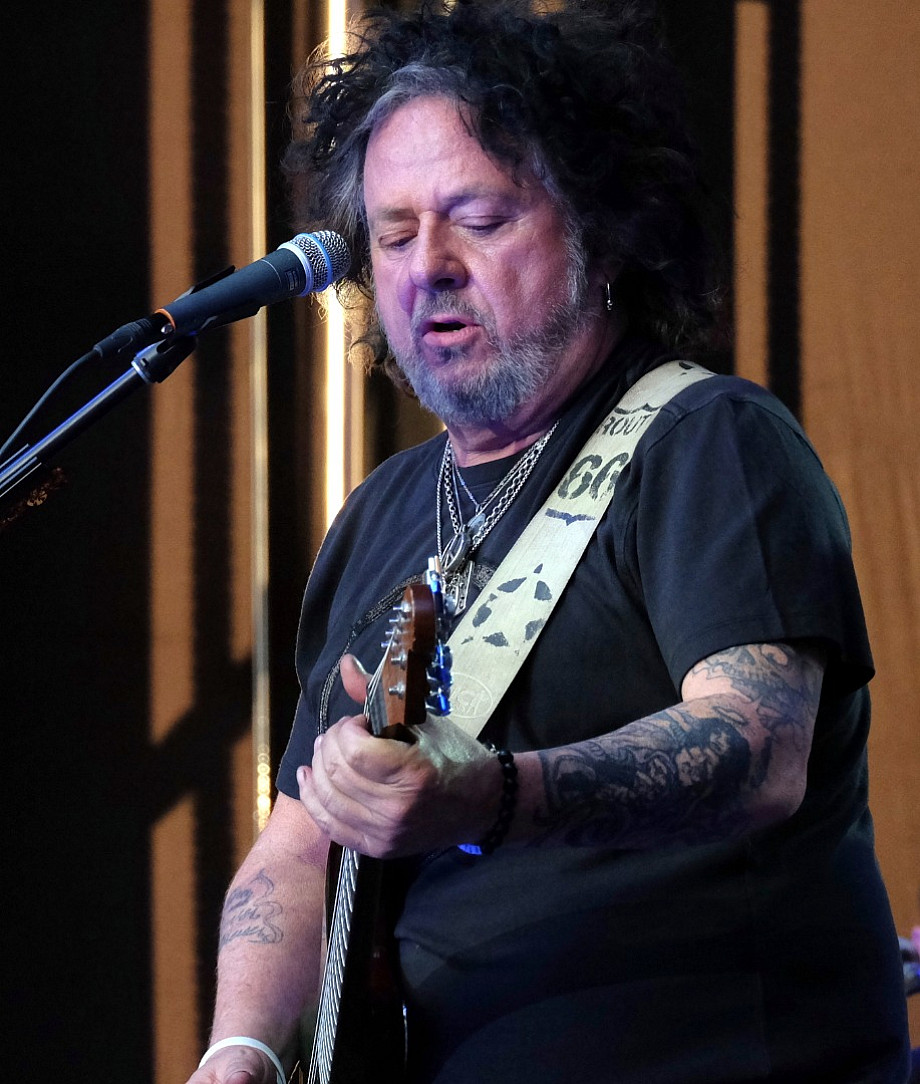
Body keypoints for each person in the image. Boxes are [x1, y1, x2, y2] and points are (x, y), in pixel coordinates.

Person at [188, 2, 910, 1081]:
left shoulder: (706, 440)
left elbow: (756, 747)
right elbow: (298, 845)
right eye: (393, 235)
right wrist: (239, 1048)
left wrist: (491, 795)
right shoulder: (382, 510)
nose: (427, 265)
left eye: (477, 219)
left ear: (601, 233)